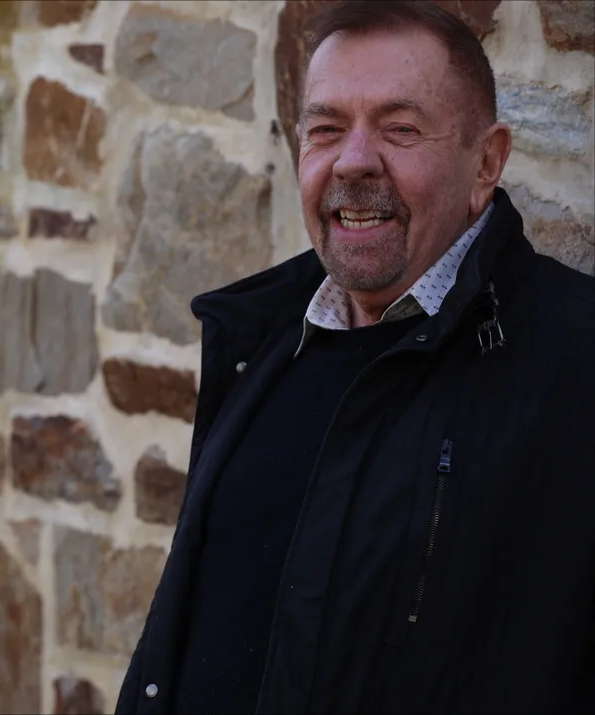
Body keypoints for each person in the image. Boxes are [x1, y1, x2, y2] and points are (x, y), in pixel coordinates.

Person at [116, 1, 595, 713]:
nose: (354, 160)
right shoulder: (260, 342)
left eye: (400, 129)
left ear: (486, 162)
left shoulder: (575, 358)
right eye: (327, 129)